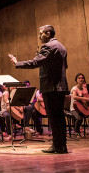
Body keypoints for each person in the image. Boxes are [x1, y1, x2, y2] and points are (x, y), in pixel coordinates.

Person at [9, 24, 69, 154]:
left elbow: (35, 62)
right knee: (59, 117)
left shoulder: (48, 46)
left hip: (51, 87)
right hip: (61, 87)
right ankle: (62, 146)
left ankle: (57, 146)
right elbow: (65, 66)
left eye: (40, 33)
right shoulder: (62, 47)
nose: (39, 36)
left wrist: (17, 63)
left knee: (53, 118)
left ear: (48, 34)